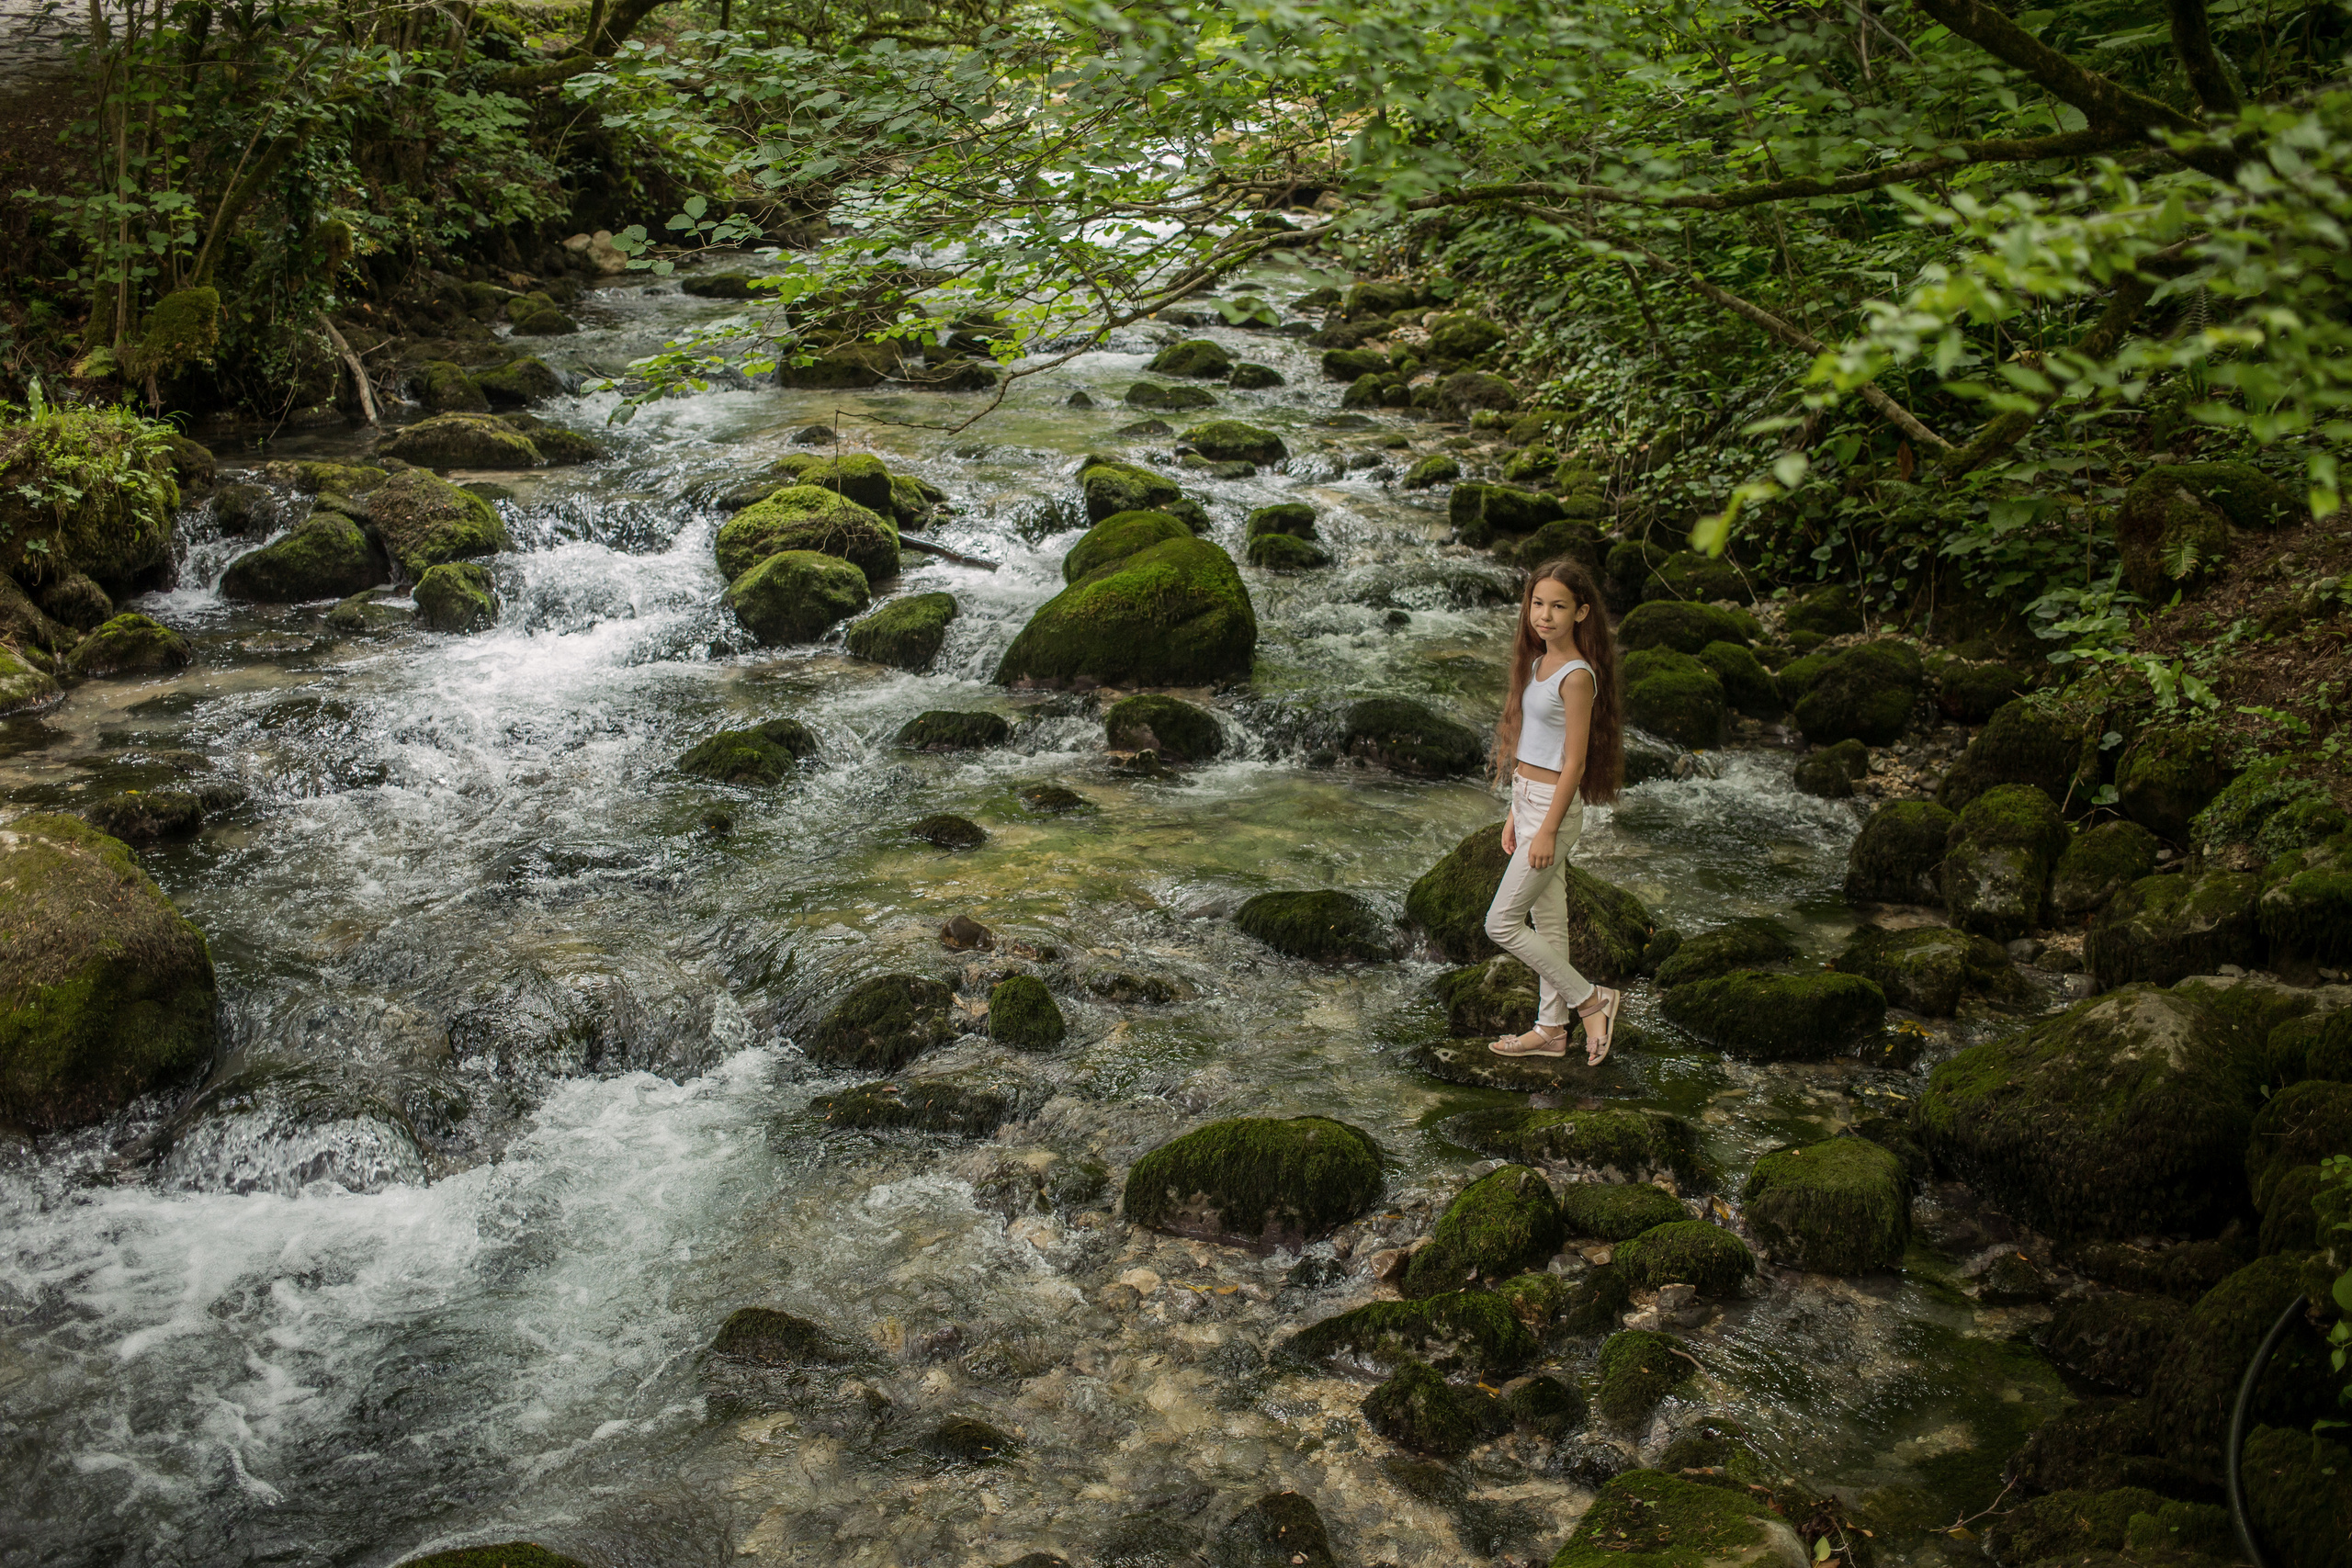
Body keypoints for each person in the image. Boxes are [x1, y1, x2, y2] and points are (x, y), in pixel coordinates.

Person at [1483, 556, 1626, 1065]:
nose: (1544, 615)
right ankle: (1552, 1031)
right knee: (1550, 923)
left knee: (1500, 924)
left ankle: (1590, 1000)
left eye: (1558, 606)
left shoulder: (1576, 676)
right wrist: (1513, 813)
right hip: (1526, 799)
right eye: (1537, 604)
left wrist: (1544, 830)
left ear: (1582, 612)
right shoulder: (1537, 661)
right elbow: (1533, 745)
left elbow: (1574, 763)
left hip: (1553, 811)